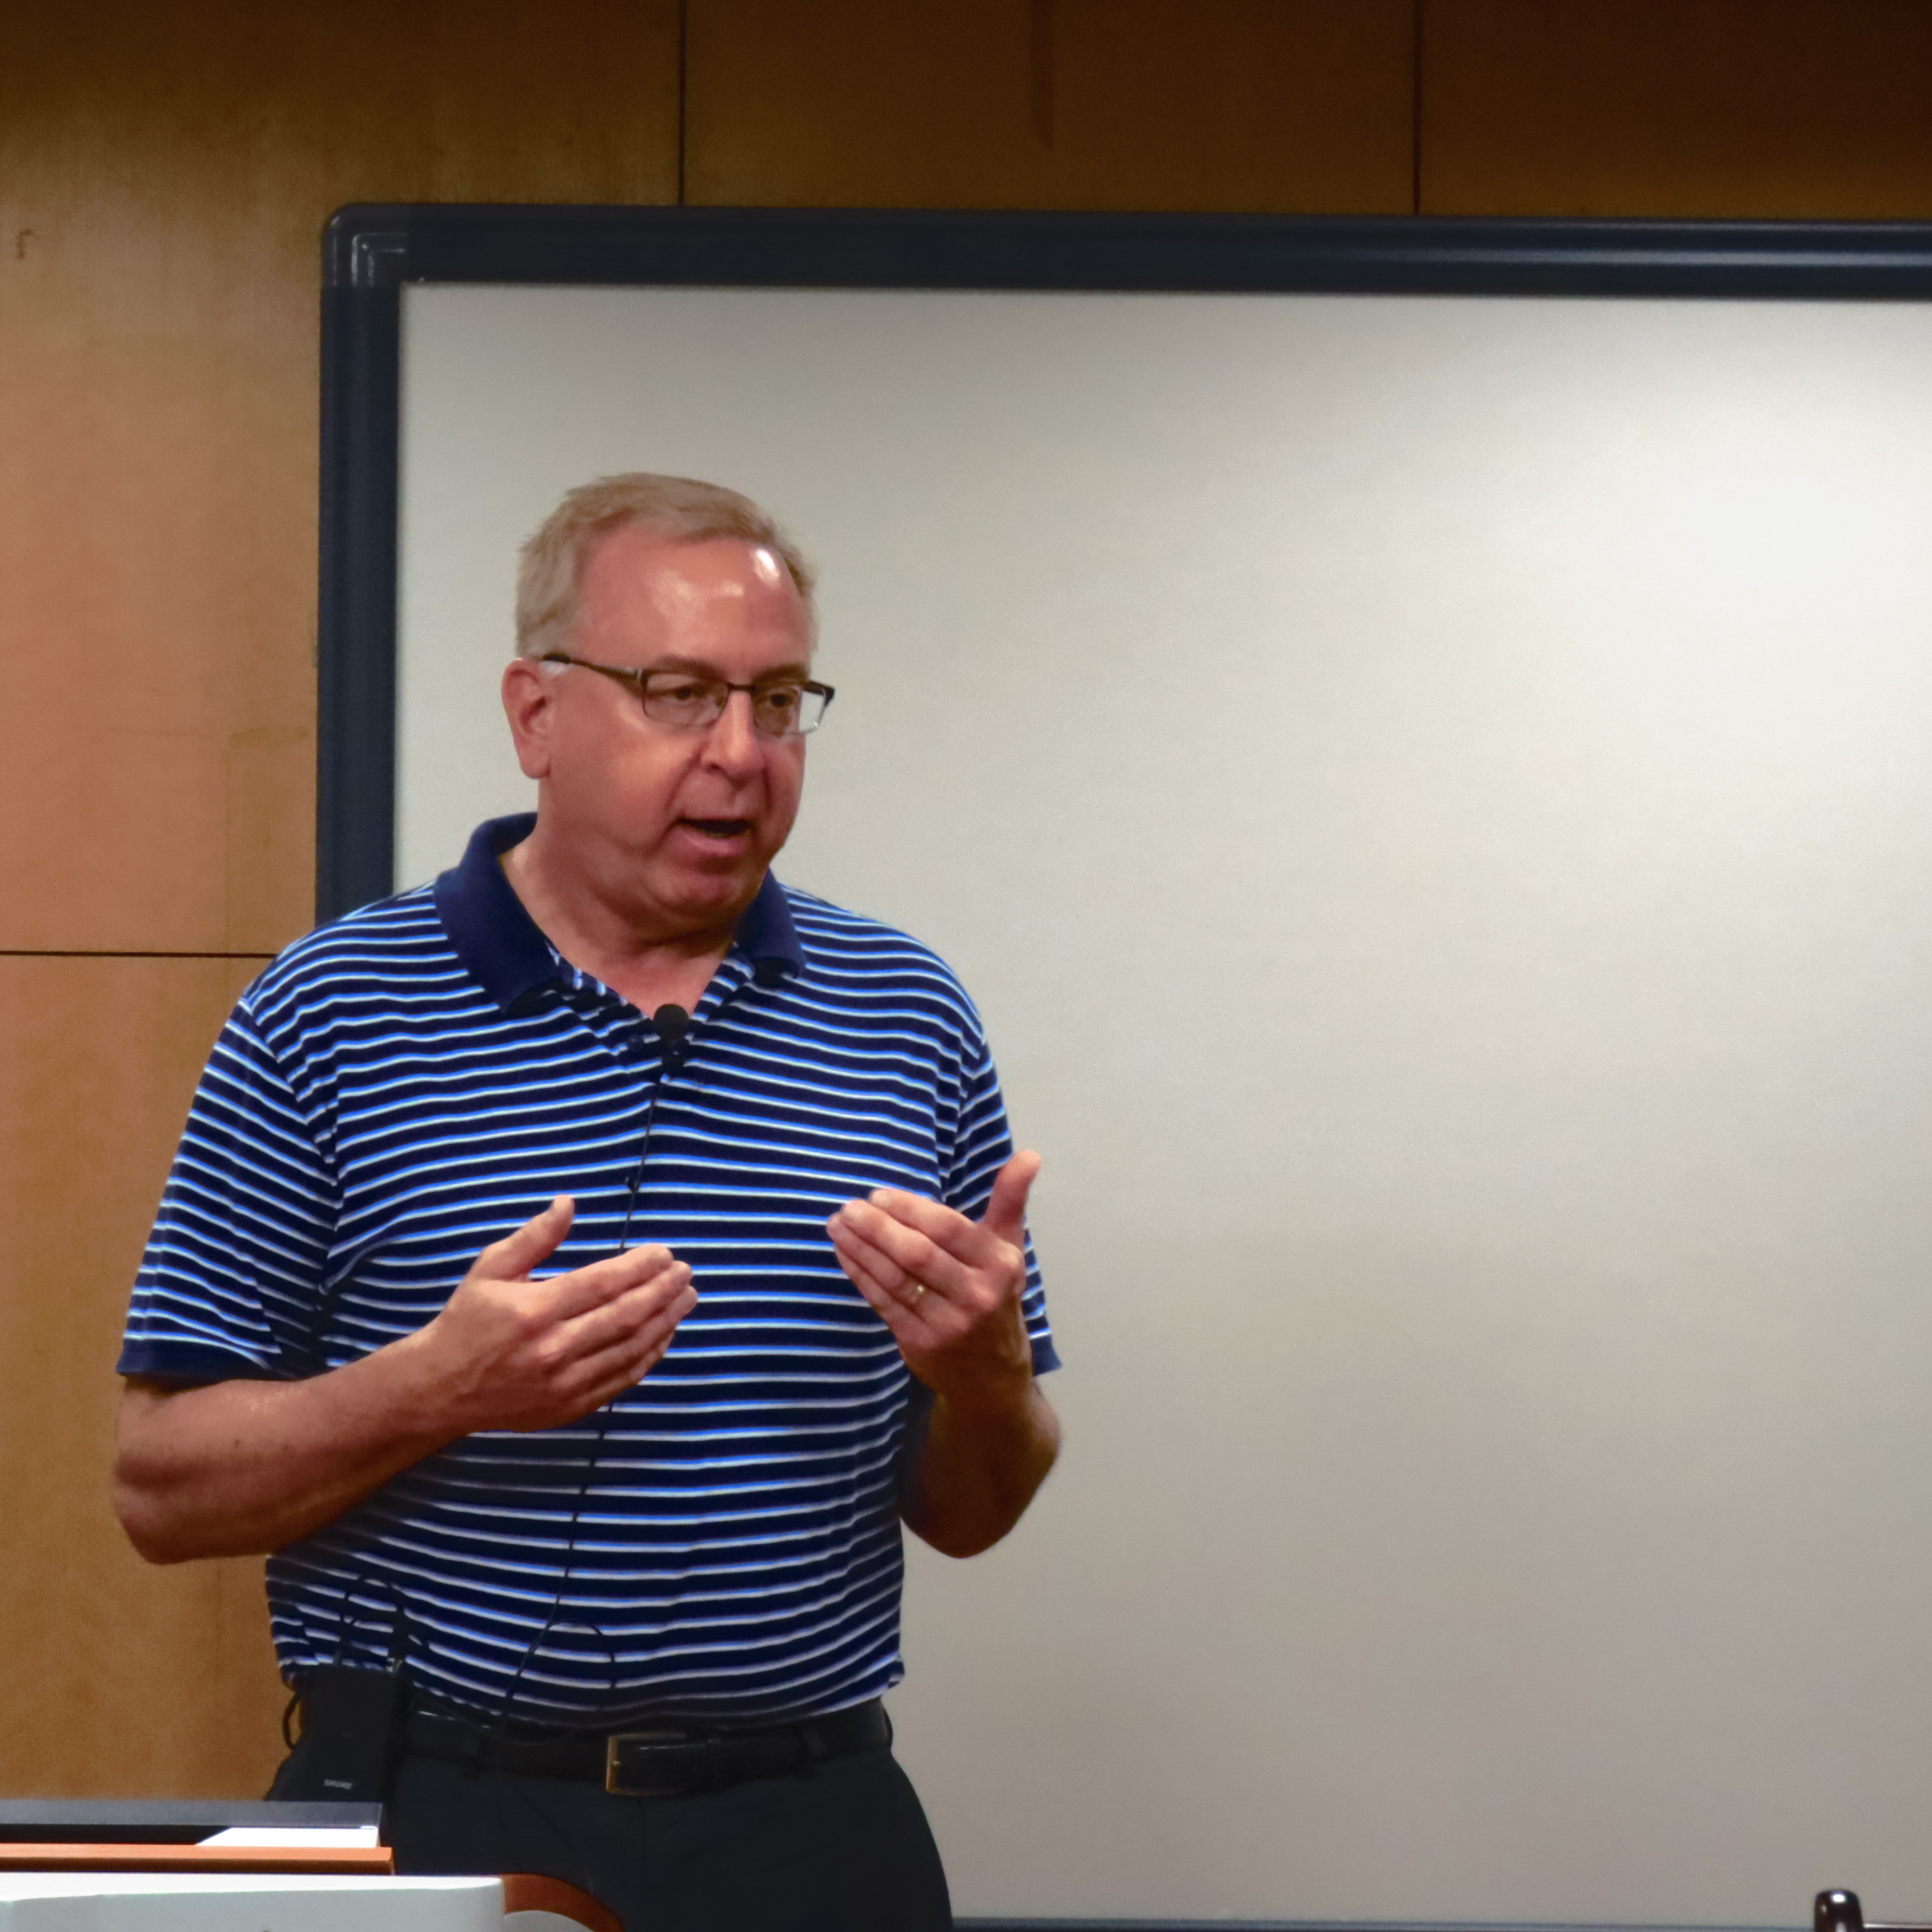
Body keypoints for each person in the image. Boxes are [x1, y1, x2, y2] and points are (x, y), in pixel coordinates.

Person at [111, 472, 1061, 1931]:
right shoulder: (331, 1010)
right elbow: (160, 1490)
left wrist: (987, 1380)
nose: (740, 754)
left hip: (812, 1829)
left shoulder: (902, 1013)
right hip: (439, 1812)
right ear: (536, 714)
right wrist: (435, 1389)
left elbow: (973, 1515)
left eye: (778, 702)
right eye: (679, 694)